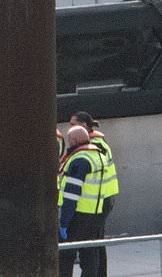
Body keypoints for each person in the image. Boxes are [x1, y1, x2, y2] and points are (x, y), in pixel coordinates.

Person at [71, 112, 117, 277]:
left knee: (90, 243)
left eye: (72, 124)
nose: (70, 128)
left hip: (99, 200)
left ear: (83, 126)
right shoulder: (100, 143)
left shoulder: (95, 146)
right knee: (96, 241)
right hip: (104, 198)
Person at [58, 126, 108, 277]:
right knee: (89, 254)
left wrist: (64, 222)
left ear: (73, 140)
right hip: (95, 214)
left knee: (65, 257)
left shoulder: (80, 160)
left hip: (77, 215)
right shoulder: (98, 156)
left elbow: (72, 194)